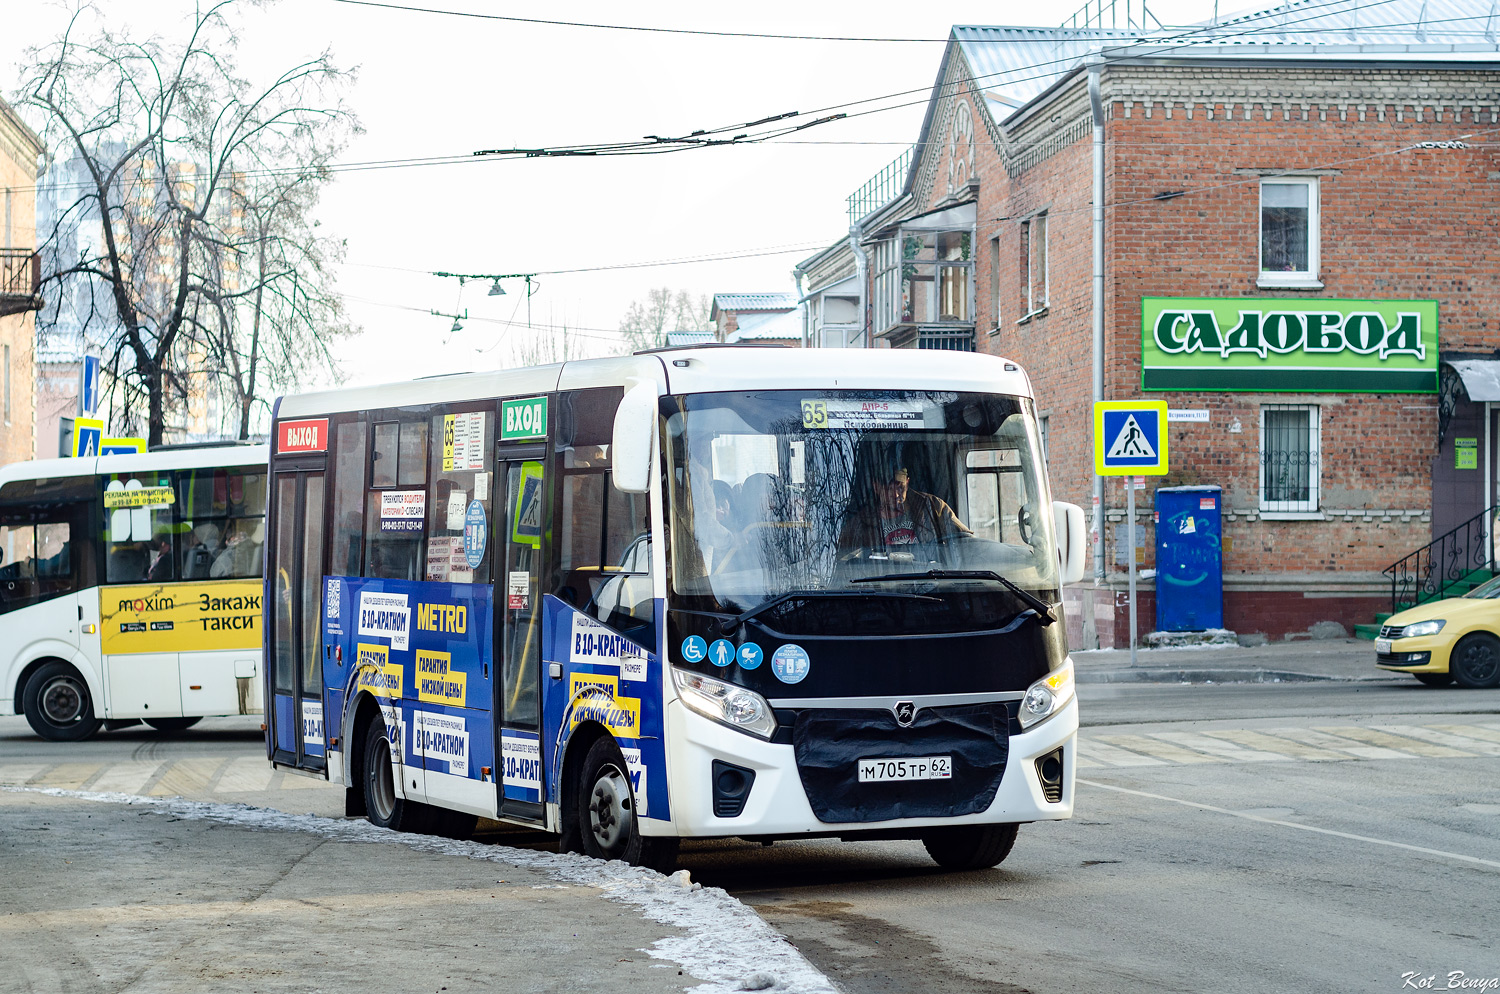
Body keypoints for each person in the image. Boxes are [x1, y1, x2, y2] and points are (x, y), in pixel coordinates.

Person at [840, 464, 972, 555]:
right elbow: (843, 560)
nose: (896, 495)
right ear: (876, 487)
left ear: (907, 482)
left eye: (900, 487)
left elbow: (964, 541)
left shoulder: (932, 506)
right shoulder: (861, 522)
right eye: (889, 489)